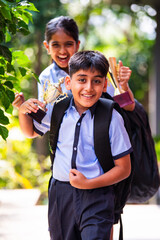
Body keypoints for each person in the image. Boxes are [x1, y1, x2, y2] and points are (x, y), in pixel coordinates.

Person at [18, 50, 132, 240]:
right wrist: (23, 110)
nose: (88, 87)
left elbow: (124, 168)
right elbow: (29, 131)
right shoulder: (57, 109)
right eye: (81, 80)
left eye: (96, 81)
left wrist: (88, 183)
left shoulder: (112, 117)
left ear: (104, 84)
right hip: (61, 195)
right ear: (69, 83)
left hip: (98, 196)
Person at [12, 15, 135, 111]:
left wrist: (122, 86)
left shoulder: (96, 69)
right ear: (47, 47)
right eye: (56, 45)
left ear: (77, 45)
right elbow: (43, 122)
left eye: (68, 44)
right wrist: (23, 107)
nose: (62, 51)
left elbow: (128, 107)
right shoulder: (46, 78)